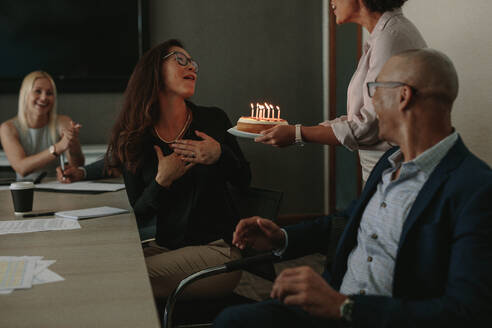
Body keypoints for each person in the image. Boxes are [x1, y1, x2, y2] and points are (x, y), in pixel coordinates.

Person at [215, 49, 492, 327]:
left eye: (375, 89)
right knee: (233, 321)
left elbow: (466, 313)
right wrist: (282, 238)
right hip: (331, 305)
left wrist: (345, 308)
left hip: (372, 316)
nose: (371, 100)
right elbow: (347, 221)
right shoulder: (388, 162)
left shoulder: (475, 189)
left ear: (403, 96)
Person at [106, 39, 251, 299]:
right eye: (180, 60)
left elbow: (244, 181)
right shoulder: (135, 138)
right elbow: (137, 214)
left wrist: (220, 154)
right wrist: (161, 181)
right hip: (166, 250)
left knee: (123, 277)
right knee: (103, 266)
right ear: (155, 72)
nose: (192, 67)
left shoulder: (214, 119)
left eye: (193, 63)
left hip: (218, 250)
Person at [256, 0, 426, 182]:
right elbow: (363, 118)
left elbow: (371, 126)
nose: (331, 2)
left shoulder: (390, 38)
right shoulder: (385, 35)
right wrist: (304, 131)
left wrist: (298, 133)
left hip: (395, 175)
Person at [0, 71, 84, 181]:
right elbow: (22, 168)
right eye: (38, 91)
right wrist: (58, 147)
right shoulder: (8, 128)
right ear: (25, 94)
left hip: (59, 189)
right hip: (26, 192)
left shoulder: (63, 122)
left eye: (49, 93)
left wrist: (73, 142)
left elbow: (77, 165)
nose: (44, 97)